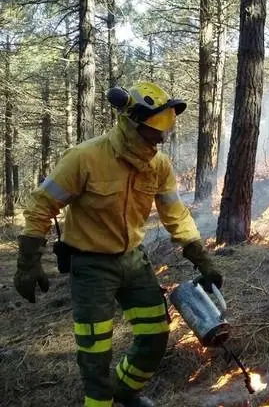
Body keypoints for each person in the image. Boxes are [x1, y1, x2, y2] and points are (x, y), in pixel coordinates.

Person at [13, 82, 223, 407]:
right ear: (131, 122)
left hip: (134, 261)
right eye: (155, 128)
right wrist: (28, 261)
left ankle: (124, 392)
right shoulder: (85, 158)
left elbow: (176, 215)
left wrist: (202, 258)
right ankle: (99, 402)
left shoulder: (159, 166)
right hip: (90, 264)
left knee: (155, 334)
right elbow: (42, 205)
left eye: (166, 126)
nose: (161, 137)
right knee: (95, 350)